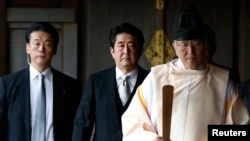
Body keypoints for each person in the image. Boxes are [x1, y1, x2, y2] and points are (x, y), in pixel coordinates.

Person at [121, 6, 250, 141]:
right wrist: (152, 139)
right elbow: (132, 123)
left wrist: (211, 134)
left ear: (205, 46)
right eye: (183, 45)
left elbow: (241, 130)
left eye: (196, 44)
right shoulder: (156, 78)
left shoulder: (223, 82)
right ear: (174, 47)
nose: (190, 52)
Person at [0, 22, 81, 141]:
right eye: (36, 43)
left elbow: (77, 127)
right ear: (27, 47)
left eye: (48, 44)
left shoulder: (70, 86)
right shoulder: (7, 84)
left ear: (55, 49)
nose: (41, 49)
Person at [71, 22, 149, 141]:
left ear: (140, 50)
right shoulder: (96, 81)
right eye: (121, 46)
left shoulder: (150, 80)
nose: (126, 51)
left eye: (131, 45)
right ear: (112, 51)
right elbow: (83, 123)